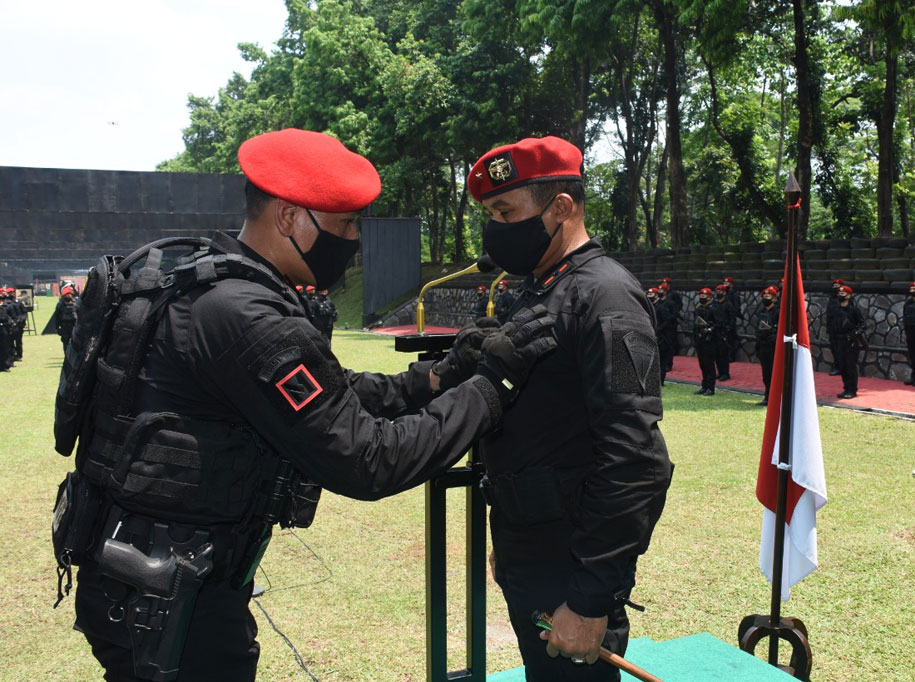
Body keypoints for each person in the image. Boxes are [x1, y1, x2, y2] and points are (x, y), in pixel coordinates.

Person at [59, 128, 556, 682]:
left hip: (139, 572)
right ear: (291, 218)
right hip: (172, 598)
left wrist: (439, 376)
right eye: (343, 225)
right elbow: (368, 458)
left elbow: (332, 390)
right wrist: (492, 385)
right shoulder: (248, 314)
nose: (352, 240)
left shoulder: (205, 279)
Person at [467, 135, 673, 680]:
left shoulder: (607, 298)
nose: (495, 228)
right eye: (491, 213)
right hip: (530, 546)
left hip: (573, 562)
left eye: (506, 212)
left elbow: (636, 458)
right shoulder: (538, 289)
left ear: (562, 208)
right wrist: (512, 541)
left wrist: (590, 596)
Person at [830, 284, 863, 399]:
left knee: (850, 366)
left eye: (843, 294)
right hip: (839, 340)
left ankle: (852, 389)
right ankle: (846, 388)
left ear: (849, 296)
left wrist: (854, 334)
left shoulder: (853, 310)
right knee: (842, 366)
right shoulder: (836, 310)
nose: (840, 295)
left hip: (850, 341)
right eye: (839, 293)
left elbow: (862, 324)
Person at [753, 286, 780, 406]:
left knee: (775, 374)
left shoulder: (778, 312)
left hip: (773, 346)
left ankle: (776, 398)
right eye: (764, 296)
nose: (765, 298)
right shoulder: (762, 312)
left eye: (768, 296)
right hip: (763, 345)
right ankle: (767, 397)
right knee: (766, 374)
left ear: (774, 299)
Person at [693, 287, 717, 396]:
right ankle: (704, 386)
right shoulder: (699, 309)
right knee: (702, 364)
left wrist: (709, 330)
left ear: (710, 297)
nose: (702, 297)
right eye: (701, 295)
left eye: (704, 296)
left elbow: (718, 324)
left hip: (710, 341)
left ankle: (710, 388)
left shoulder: (713, 309)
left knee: (709, 364)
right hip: (700, 340)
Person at [650, 287, 675, 384]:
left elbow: (667, 320)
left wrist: (658, 329)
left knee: (661, 360)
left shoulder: (661, 307)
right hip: (654, 334)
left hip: (662, 336)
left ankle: (660, 380)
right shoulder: (653, 306)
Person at [712, 284, 733, 381]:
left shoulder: (728, 304)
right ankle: (720, 372)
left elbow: (731, 318)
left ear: (724, 293)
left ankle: (725, 373)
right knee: (717, 354)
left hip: (724, 331)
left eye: (720, 291)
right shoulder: (715, 304)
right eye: (717, 291)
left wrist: (728, 329)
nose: (718, 293)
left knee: (724, 354)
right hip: (716, 331)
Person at [825, 278, 844, 376]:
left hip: (842, 329)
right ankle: (837, 366)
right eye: (834, 286)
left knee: (841, 350)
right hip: (833, 328)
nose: (835, 288)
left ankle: (842, 367)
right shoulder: (832, 299)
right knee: (834, 349)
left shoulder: (844, 299)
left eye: (837, 286)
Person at [722, 276, 740, 360]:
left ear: (731, 284)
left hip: (730, 319)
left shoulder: (734, 294)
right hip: (723, 319)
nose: (725, 285)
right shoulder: (723, 294)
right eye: (724, 283)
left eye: (727, 283)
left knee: (730, 338)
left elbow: (736, 308)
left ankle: (731, 356)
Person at [55, 285, 78, 353]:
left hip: (64, 327)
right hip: (74, 327)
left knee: (66, 344)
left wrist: (57, 328)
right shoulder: (76, 303)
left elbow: (57, 317)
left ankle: (67, 358)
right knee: (75, 344)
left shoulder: (60, 304)